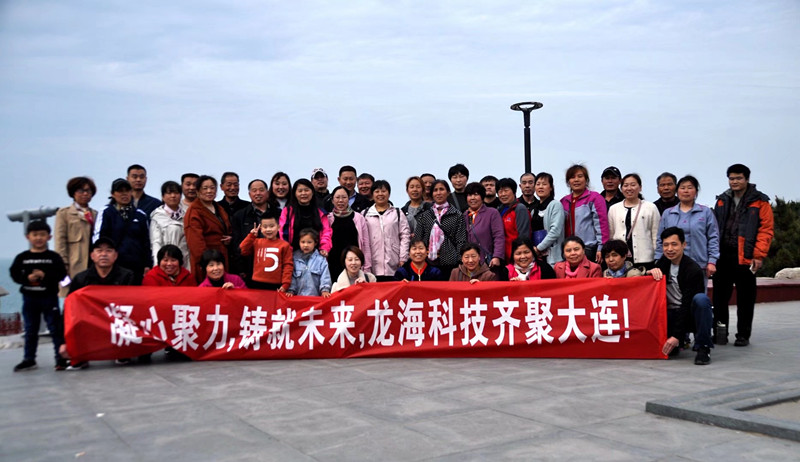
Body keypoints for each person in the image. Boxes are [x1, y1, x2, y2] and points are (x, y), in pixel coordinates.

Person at [712, 164, 774, 347]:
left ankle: (743, 335)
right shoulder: (722, 200)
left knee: (745, 299)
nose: (735, 182)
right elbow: (714, 228)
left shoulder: (760, 201)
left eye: (738, 178)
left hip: (746, 256)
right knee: (719, 299)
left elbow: (766, 230)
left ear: (747, 179)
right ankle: (720, 334)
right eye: (731, 178)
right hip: (723, 255)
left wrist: (759, 255)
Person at [649, 227, 714, 365]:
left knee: (701, 300)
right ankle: (677, 342)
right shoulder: (663, 263)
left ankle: (703, 347)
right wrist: (649, 272)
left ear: (684, 245)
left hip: (689, 313)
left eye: (674, 244)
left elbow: (686, 304)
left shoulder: (693, 269)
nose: (669, 249)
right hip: (670, 314)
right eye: (666, 245)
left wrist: (676, 335)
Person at [68, 236, 135, 369]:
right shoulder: (80, 279)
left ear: (115, 256)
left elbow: (134, 306)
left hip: (117, 321)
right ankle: (80, 354)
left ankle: (123, 351)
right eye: (99, 251)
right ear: (92, 256)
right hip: (90, 321)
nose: (104, 254)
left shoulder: (127, 276)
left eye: (108, 251)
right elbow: (69, 309)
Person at [10, 221, 68, 372]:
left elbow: (62, 274)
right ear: (27, 237)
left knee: (55, 329)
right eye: (35, 235)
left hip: (49, 297)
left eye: (42, 235)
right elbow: (14, 274)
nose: (38, 238)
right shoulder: (22, 257)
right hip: (29, 298)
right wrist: (26, 278)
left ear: (49, 237)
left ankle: (60, 359)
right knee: (30, 330)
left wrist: (45, 275)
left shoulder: (54, 257)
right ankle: (29, 359)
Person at [655, 175, 719, 287]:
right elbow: (660, 239)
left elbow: (713, 237)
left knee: (697, 295)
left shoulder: (705, 212)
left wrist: (712, 261)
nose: (686, 191)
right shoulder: (668, 213)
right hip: (672, 264)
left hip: (699, 264)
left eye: (690, 188)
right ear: (677, 191)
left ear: (696, 192)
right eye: (682, 188)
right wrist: (658, 261)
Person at [94, 178, 151, 284]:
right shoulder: (106, 212)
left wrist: (147, 264)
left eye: (127, 191)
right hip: (114, 265)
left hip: (136, 265)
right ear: (113, 194)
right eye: (120, 191)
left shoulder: (140, 214)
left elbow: (146, 242)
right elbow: (99, 238)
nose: (124, 194)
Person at [54, 176, 98, 297]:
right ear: (73, 193)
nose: (85, 194)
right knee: (72, 298)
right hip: (74, 264)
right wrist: (63, 266)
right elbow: (60, 241)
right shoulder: (64, 213)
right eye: (81, 191)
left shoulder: (95, 214)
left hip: (92, 265)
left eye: (88, 191)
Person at [184, 175, 232, 283]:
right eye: (205, 188)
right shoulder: (194, 212)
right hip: (206, 262)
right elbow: (196, 244)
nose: (209, 191)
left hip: (222, 256)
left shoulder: (218, 207)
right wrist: (208, 264)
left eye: (212, 188)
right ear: (198, 191)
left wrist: (229, 239)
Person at [413, 179, 467, 275]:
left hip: (450, 262)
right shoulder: (425, 216)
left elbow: (461, 240)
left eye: (441, 189)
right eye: (435, 190)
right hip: (427, 263)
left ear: (448, 192)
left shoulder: (456, 215)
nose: (438, 193)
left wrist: (460, 260)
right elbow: (418, 239)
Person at [230, 179, 278, 283]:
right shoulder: (239, 216)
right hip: (250, 268)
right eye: (254, 190)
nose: (258, 193)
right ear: (249, 194)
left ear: (267, 192)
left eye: (261, 190)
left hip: (274, 266)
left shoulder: (278, 213)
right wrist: (240, 268)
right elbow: (236, 244)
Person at [607, 173, 660, 268]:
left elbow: (655, 235)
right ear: (621, 188)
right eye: (625, 185)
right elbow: (611, 235)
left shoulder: (650, 207)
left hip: (645, 259)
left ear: (640, 187)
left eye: (633, 185)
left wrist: (657, 258)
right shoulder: (614, 209)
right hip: (620, 260)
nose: (629, 188)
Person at [363, 180, 411, 281]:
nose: (380, 194)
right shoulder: (365, 214)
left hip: (394, 263)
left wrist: (403, 258)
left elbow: (405, 236)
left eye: (383, 191)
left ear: (389, 194)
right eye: (377, 191)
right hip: (372, 265)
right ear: (372, 194)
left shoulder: (397, 213)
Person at [560, 164, 608, 263]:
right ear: (568, 181)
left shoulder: (594, 198)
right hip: (568, 250)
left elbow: (601, 224)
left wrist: (601, 247)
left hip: (588, 249)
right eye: (572, 177)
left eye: (580, 176)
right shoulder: (564, 201)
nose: (576, 180)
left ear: (586, 180)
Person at [327, 185, 372, 280]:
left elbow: (365, 244)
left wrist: (367, 267)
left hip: (354, 264)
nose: (341, 200)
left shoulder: (359, 218)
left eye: (344, 197)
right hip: (333, 264)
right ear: (332, 200)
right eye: (337, 197)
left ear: (349, 199)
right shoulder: (328, 218)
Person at [239, 213, 293, 291]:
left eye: (271, 226)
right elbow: (243, 250)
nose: (268, 229)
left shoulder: (284, 245)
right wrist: (251, 236)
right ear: (261, 229)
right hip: (257, 281)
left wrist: (286, 283)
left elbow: (288, 265)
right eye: (265, 227)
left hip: (276, 284)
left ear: (278, 227)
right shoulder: (256, 242)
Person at [280, 178, 333, 256]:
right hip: (292, 254)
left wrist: (324, 248)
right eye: (300, 191)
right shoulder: (287, 211)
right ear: (295, 193)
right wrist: (288, 251)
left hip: (317, 254)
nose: (303, 193)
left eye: (306, 190)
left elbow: (326, 232)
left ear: (312, 192)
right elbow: (283, 233)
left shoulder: (321, 212)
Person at [150, 181, 190, 270]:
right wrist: (157, 266)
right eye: (169, 193)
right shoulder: (157, 216)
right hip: (167, 262)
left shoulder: (187, 214)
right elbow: (156, 243)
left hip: (185, 262)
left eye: (176, 193)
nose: (173, 196)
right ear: (163, 196)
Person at [463, 182, 505, 269]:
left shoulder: (492, 213)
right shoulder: (464, 216)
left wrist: (497, 256)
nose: (473, 198)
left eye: (476, 194)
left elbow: (498, 236)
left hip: (487, 262)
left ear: (482, 197)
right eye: (470, 195)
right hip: (469, 263)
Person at [531, 172, 565, 266]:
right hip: (537, 257)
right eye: (538, 184)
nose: (540, 187)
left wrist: (539, 248)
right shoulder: (534, 210)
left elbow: (555, 231)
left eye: (544, 184)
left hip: (553, 257)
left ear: (551, 188)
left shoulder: (555, 205)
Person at [287, 228, 332, 297]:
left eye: (309, 242)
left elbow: (325, 276)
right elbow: (292, 276)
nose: (306, 245)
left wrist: (325, 290)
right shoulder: (294, 258)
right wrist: (291, 290)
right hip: (298, 297)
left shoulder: (321, 259)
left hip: (315, 297)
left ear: (315, 243)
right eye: (303, 242)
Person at [496, 178, 532, 262]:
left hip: (516, 257)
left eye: (506, 191)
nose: (503, 194)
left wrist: (519, 255)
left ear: (514, 192)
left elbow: (524, 235)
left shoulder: (520, 208)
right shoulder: (499, 210)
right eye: (500, 192)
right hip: (503, 257)